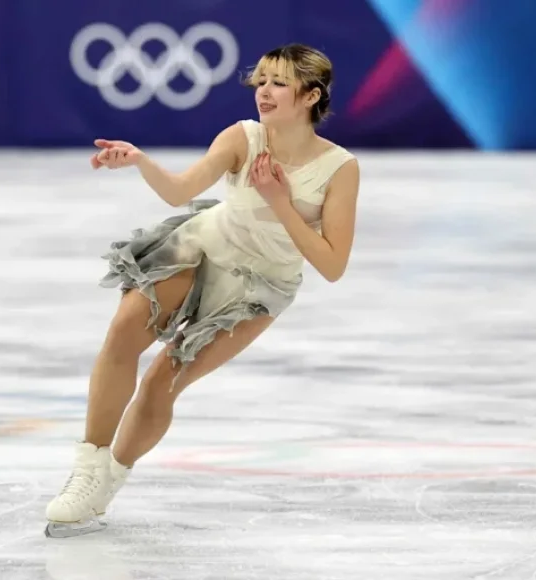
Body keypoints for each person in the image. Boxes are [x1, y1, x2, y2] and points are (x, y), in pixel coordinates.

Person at [44, 43, 360, 537]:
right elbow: (180, 190)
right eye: (260, 81)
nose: (264, 92)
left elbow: (332, 263)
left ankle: (108, 484)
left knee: (163, 378)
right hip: (204, 244)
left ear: (310, 95)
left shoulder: (340, 168)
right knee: (125, 330)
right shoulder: (243, 137)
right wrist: (140, 161)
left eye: (278, 82)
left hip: (260, 283)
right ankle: (87, 467)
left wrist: (280, 201)